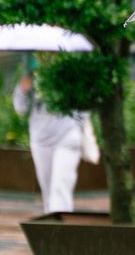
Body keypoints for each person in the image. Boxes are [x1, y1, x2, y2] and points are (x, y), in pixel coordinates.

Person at [14, 63, 89, 213]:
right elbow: (21, 108)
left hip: (68, 137)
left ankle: (60, 223)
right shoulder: (32, 76)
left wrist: (77, 126)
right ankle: (51, 222)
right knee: (47, 189)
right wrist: (23, 89)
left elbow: (84, 104)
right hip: (40, 140)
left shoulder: (71, 73)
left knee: (61, 185)